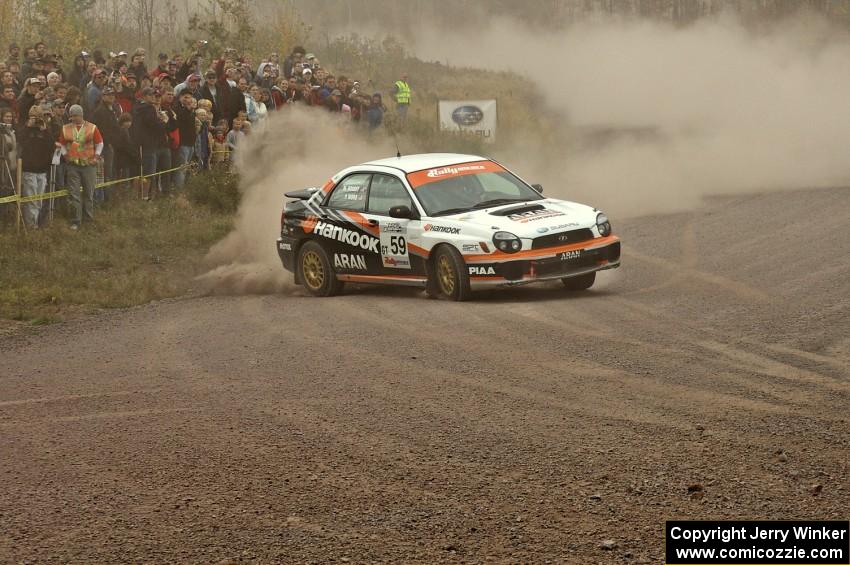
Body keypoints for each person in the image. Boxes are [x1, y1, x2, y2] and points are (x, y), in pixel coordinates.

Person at [58, 104, 103, 229]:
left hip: (88, 165)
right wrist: (65, 154)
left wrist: (96, 156)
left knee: (89, 193)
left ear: (81, 115)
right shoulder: (65, 128)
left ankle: (88, 219)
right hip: (72, 165)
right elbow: (61, 143)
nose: (72, 119)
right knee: (74, 194)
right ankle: (75, 221)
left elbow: (100, 143)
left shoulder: (92, 127)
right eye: (71, 116)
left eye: (75, 116)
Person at [18, 105, 55, 228]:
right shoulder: (25, 128)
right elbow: (20, 140)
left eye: (38, 117)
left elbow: (51, 146)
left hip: (42, 169)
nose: (36, 120)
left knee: (39, 199)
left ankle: (36, 223)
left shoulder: (45, 129)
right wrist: (28, 127)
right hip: (29, 169)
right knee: (31, 199)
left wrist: (44, 130)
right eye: (34, 117)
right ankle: (31, 226)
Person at [173, 90, 197, 187]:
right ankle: (180, 190)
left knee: (188, 168)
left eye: (189, 97)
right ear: (180, 97)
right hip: (182, 143)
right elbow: (180, 118)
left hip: (191, 142)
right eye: (185, 97)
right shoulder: (177, 108)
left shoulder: (191, 110)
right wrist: (188, 109)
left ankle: (186, 188)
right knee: (181, 168)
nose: (188, 99)